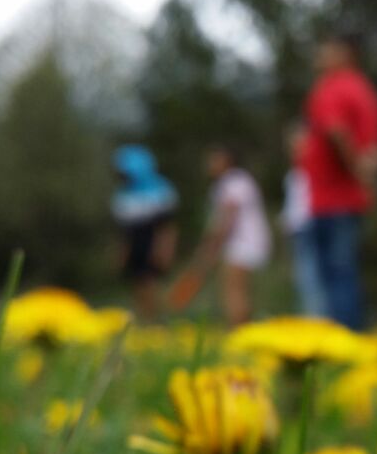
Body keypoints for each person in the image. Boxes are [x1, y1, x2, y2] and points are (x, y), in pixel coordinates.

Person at [302, 29, 377, 330]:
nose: (319, 56)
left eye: (325, 49)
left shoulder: (332, 88)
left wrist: (356, 169)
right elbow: (376, 149)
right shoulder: (366, 90)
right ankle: (350, 340)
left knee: (333, 277)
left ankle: (340, 344)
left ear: (345, 53)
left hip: (331, 199)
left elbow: (336, 132)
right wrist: (366, 174)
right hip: (348, 200)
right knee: (346, 274)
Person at [170, 145, 271, 326]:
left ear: (227, 161)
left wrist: (213, 246)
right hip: (238, 244)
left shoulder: (234, 182)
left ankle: (239, 330)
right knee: (236, 289)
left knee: (234, 289)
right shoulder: (229, 183)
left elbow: (228, 217)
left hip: (244, 243)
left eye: (214, 159)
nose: (209, 164)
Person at [112, 145, 178, 321]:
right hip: (135, 245)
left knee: (152, 285)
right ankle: (143, 321)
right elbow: (124, 231)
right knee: (138, 284)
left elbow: (166, 227)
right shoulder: (123, 194)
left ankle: (156, 322)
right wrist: (122, 253)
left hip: (153, 245)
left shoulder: (162, 190)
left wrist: (164, 250)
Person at [281, 123, 326, 316]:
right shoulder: (293, 174)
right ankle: (311, 316)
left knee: (311, 277)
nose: (296, 151)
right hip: (298, 231)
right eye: (292, 146)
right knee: (303, 278)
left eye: (301, 145)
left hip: (310, 227)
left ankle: (316, 319)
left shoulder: (314, 174)